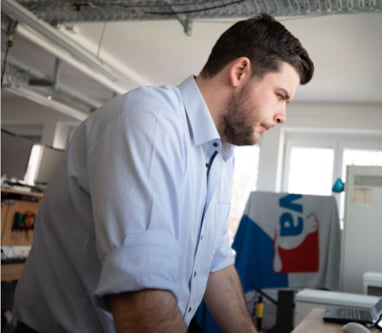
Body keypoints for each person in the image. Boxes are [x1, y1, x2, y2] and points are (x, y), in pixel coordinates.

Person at [13, 13, 314, 332]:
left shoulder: (220, 154)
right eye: (280, 96)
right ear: (240, 71)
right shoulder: (151, 121)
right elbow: (140, 297)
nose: (282, 116)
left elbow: (215, 262)